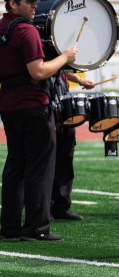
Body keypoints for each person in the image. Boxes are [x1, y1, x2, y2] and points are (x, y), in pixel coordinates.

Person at [0, 0, 77, 242]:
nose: (35, 5)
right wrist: (65, 58)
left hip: (8, 104)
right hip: (33, 104)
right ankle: (36, 228)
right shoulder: (27, 30)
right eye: (29, 2)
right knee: (40, 166)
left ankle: (9, 228)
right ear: (13, 3)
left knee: (15, 165)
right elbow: (38, 72)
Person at [50, 72, 94, 221]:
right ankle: (45, 208)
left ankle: (61, 207)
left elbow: (63, 68)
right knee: (47, 162)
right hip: (47, 103)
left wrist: (80, 80)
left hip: (64, 104)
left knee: (65, 159)